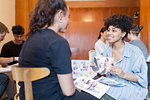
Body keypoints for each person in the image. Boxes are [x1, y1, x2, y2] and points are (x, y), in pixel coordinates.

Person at [18, 0, 114, 100]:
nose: (68, 21)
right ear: (60, 15)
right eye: (68, 17)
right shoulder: (58, 42)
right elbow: (68, 91)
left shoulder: (30, 39)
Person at [102, 14, 147, 100]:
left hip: (131, 88)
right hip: (111, 86)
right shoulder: (107, 52)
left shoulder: (135, 52)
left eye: (114, 30)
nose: (109, 33)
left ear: (123, 33)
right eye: (108, 30)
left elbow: (142, 78)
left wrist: (123, 74)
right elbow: (106, 74)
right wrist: (100, 70)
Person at [0, 22, 18, 98]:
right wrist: (10, 69)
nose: (3, 39)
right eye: (2, 36)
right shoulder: (7, 46)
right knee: (4, 78)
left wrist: (15, 58)